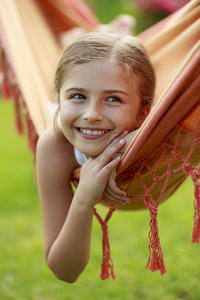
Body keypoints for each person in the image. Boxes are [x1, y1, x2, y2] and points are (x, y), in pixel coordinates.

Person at [36, 32, 155, 283]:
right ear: (59, 98)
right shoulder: (55, 146)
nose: (92, 114)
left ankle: (111, 28)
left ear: (143, 115)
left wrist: (119, 152)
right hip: (58, 120)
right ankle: (90, 31)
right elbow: (64, 271)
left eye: (113, 99)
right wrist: (83, 199)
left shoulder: (155, 129)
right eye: (77, 96)